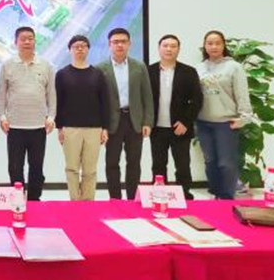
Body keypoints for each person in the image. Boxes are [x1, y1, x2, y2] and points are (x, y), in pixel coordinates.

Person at [0, 26, 56, 201]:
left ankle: (34, 199)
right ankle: (17, 199)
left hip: (38, 126)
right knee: (15, 167)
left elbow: (51, 94)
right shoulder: (7, 65)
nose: (27, 42)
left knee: (36, 167)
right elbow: (1, 94)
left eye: (30, 38)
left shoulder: (45, 65)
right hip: (14, 126)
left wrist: (51, 117)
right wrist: (2, 117)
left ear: (34, 41)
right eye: (23, 39)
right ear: (16, 42)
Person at [97, 28, 154, 200]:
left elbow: (147, 96)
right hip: (112, 122)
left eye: (123, 41)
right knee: (112, 162)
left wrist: (147, 122)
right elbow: (98, 101)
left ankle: (131, 198)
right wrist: (101, 126)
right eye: (115, 42)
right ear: (109, 45)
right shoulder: (100, 68)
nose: (119, 45)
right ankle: (115, 199)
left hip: (134, 120)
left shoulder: (139, 67)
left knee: (134, 162)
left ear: (129, 44)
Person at [196, 30, 252, 200]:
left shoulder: (234, 67)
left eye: (217, 43)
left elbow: (242, 93)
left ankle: (226, 198)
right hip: (203, 123)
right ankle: (216, 195)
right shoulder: (199, 68)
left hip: (226, 123)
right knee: (210, 162)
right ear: (205, 46)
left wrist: (244, 117)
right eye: (210, 43)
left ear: (223, 45)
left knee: (226, 163)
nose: (214, 46)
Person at [148, 34, 203, 200]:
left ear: (178, 49)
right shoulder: (149, 71)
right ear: (159, 48)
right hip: (157, 128)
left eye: (173, 46)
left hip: (180, 127)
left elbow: (197, 100)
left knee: (183, 164)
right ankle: (159, 194)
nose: (169, 49)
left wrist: (185, 122)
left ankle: (184, 194)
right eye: (165, 45)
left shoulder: (188, 72)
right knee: (158, 164)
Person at [55, 35, 109, 201]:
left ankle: (88, 203)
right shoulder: (62, 74)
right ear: (70, 50)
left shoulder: (98, 74)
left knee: (90, 170)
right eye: (76, 46)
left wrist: (105, 128)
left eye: (83, 46)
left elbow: (105, 102)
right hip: (70, 128)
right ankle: (75, 202)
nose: (80, 49)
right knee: (72, 168)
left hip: (94, 129)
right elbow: (58, 102)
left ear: (88, 49)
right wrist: (59, 128)